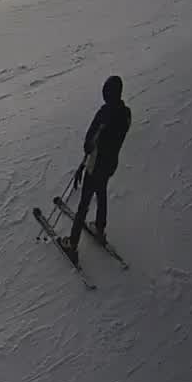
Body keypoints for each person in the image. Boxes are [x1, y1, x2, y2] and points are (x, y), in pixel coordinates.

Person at [65, 75, 131, 252]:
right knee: (101, 192)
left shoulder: (104, 114)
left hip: (96, 165)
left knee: (84, 202)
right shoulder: (126, 114)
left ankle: (72, 243)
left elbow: (89, 143)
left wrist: (86, 158)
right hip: (110, 165)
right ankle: (100, 228)